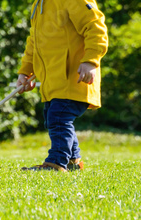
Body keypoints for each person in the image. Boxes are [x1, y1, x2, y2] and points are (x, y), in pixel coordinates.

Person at [18, 0, 109, 172]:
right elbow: (34, 43)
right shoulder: (39, 4)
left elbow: (95, 26)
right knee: (54, 117)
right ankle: (72, 161)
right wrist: (25, 72)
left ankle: (56, 163)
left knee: (59, 117)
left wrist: (91, 60)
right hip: (53, 82)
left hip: (74, 77)